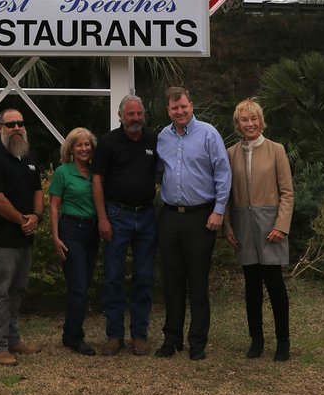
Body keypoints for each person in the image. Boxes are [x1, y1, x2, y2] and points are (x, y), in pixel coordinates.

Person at [155, 86, 231, 361]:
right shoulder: (162, 137)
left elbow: (223, 172)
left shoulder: (209, 134)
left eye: (184, 106)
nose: (180, 111)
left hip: (202, 215)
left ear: (191, 105)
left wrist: (219, 211)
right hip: (170, 216)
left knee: (197, 282)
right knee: (171, 281)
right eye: (175, 108)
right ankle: (171, 339)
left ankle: (197, 342)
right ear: (168, 110)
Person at [224, 98, 294, 362]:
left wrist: (281, 226)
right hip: (243, 226)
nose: (250, 124)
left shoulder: (276, 150)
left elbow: (287, 193)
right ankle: (256, 340)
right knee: (251, 285)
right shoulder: (230, 153)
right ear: (238, 124)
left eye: (254, 119)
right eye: (244, 119)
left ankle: (283, 341)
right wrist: (228, 227)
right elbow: (226, 194)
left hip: (271, 226)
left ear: (261, 121)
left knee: (274, 283)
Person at [91, 95, 158, 356]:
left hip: (147, 216)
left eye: (139, 113)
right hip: (116, 215)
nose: (136, 118)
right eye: (130, 114)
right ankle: (114, 335)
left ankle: (139, 335)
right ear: (120, 116)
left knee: (144, 277)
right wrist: (103, 218)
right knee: (113, 277)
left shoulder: (153, 139)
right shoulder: (108, 142)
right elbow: (97, 181)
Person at [0, 108, 44, 366]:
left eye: (20, 124)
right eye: (10, 124)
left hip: (25, 237)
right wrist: (22, 220)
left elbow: (37, 189)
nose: (16, 128)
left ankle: (13, 339)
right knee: (0, 292)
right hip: (2, 240)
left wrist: (36, 217)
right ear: (0, 129)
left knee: (17, 290)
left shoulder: (28, 157)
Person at [49, 127, 99, 355]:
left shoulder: (95, 172)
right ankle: (77, 338)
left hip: (92, 232)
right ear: (71, 148)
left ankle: (68, 334)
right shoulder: (63, 172)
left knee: (83, 284)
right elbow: (54, 205)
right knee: (78, 286)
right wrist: (56, 237)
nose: (84, 148)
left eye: (87, 144)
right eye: (79, 145)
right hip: (71, 231)